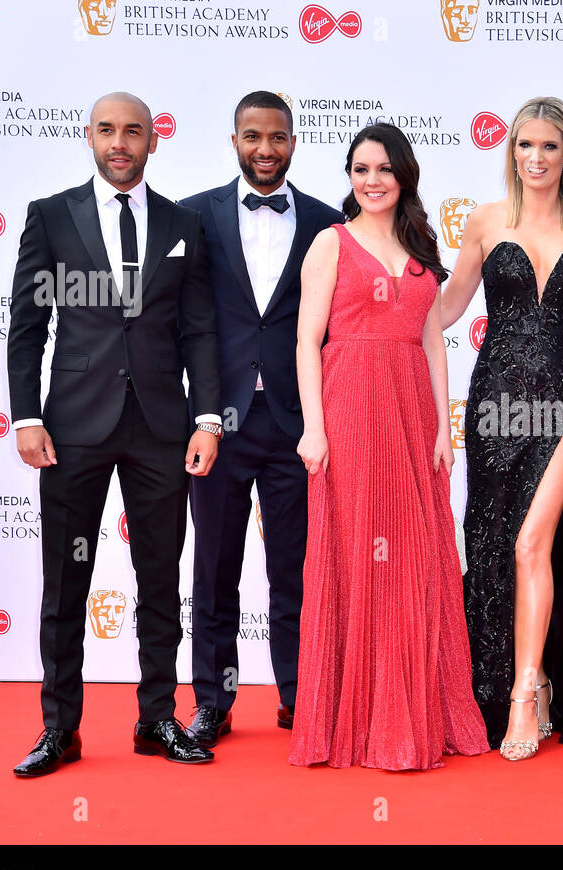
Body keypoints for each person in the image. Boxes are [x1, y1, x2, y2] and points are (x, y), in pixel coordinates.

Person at [7, 91, 221, 776]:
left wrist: (209, 418)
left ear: (154, 141)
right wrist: (26, 414)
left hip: (161, 427)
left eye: (133, 131)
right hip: (73, 428)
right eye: (107, 130)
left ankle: (157, 719)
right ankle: (59, 730)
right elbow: (27, 326)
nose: (119, 142)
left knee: (160, 578)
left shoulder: (183, 224)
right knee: (66, 582)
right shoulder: (50, 218)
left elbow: (199, 330)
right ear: (90, 137)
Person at [289, 122, 488, 770]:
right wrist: (314, 428)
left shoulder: (419, 247)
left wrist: (441, 429)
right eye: (359, 169)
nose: (370, 180)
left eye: (382, 169)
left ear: (403, 175)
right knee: (355, 558)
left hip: (411, 417)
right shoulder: (330, 242)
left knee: (414, 562)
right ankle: (358, 717)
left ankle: (408, 712)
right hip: (349, 411)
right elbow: (305, 342)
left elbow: (433, 341)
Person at [438, 97, 563, 760]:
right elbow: (448, 308)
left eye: (548, 146)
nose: (535, 158)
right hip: (495, 407)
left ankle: (526, 697)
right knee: (491, 542)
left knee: (534, 542)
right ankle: (502, 682)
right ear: (511, 153)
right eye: (524, 146)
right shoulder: (485, 222)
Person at [180, 92, 342, 748]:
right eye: (253, 136)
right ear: (235, 139)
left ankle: (300, 698)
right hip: (217, 423)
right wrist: (197, 416)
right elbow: (184, 325)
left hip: (295, 422)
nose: (266, 149)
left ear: (295, 142)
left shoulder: (330, 225)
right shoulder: (193, 216)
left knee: (297, 569)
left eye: (277, 137)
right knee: (215, 567)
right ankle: (212, 703)